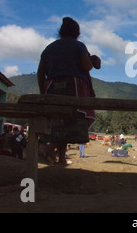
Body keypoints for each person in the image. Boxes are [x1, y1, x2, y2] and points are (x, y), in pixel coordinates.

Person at [37, 17, 101, 166]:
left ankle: (61, 158)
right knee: (69, 124)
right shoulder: (78, 46)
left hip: (52, 88)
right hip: (74, 89)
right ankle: (47, 148)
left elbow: (41, 73)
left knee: (58, 124)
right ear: (77, 33)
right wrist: (91, 60)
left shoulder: (48, 49)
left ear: (60, 32)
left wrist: (43, 93)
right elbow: (87, 67)